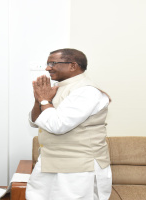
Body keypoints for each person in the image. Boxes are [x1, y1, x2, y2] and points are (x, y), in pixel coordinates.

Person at [26, 48, 112, 200]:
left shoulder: (87, 91)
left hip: (77, 169)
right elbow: (34, 122)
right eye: (47, 63)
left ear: (73, 66)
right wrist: (38, 99)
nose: (47, 68)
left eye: (53, 63)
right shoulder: (57, 88)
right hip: (49, 161)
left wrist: (45, 100)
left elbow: (58, 125)